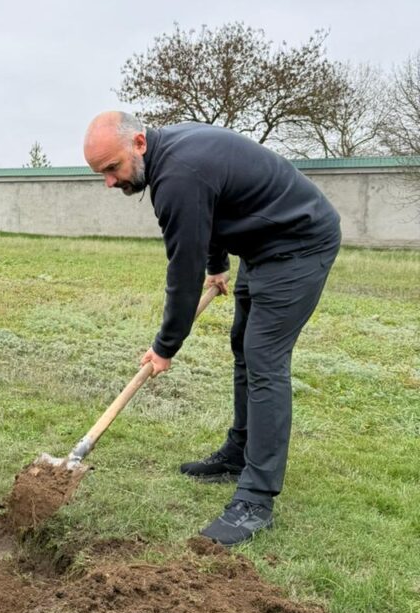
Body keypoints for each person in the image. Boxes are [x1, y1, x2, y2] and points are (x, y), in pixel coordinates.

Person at [83, 111, 341, 545]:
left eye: (113, 168)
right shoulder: (176, 154)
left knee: (265, 359)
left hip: (299, 245)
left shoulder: (177, 176)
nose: (110, 181)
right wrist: (219, 265)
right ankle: (239, 453)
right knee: (244, 345)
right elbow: (215, 206)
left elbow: (182, 273)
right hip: (263, 247)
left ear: (140, 144)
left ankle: (256, 500)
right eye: (102, 173)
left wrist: (165, 347)